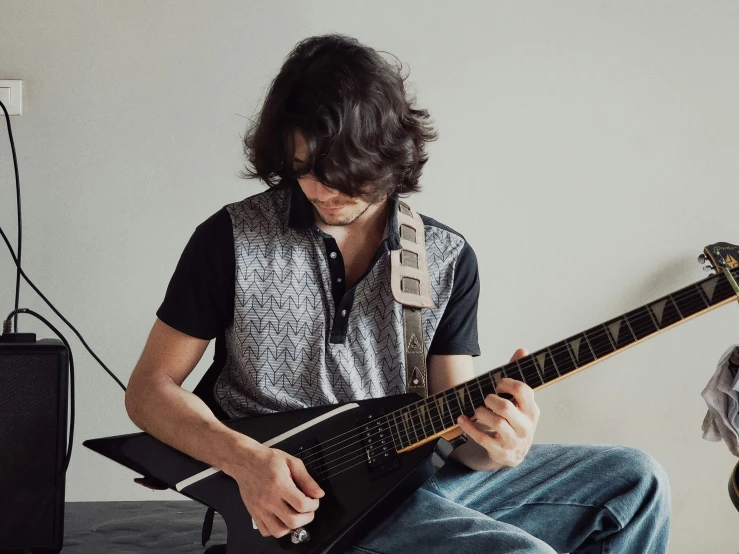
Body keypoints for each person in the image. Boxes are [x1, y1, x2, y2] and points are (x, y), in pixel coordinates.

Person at [124, 33, 671, 553]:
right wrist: (244, 460)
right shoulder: (230, 240)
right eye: (301, 170)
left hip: (414, 479)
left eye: (340, 172)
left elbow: (459, 433)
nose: (319, 189)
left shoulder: (446, 256)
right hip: (307, 505)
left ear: (386, 156)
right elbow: (149, 390)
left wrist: (501, 442)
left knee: (636, 481)